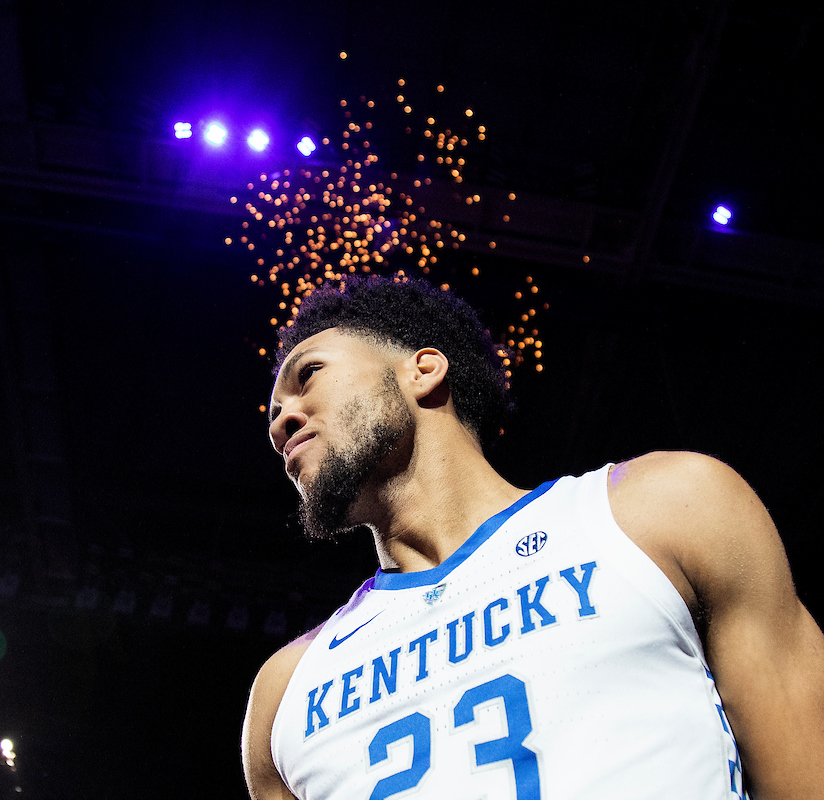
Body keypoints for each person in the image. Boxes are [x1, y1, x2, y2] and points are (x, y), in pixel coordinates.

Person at [241, 276, 824, 800]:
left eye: (308, 374)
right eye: (273, 410)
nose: (280, 421)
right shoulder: (283, 696)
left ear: (424, 370)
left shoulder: (665, 508)